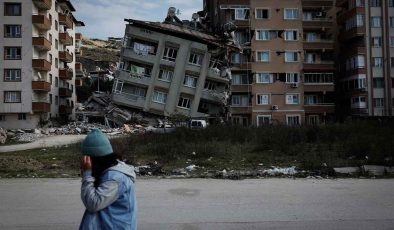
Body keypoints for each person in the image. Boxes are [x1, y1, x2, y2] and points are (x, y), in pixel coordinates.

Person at [79, 129, 137, 230]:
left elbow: (93, 203)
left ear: (94, 160)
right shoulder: (107, 173)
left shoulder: (115, 179)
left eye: (87, 160)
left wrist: (87, 174)